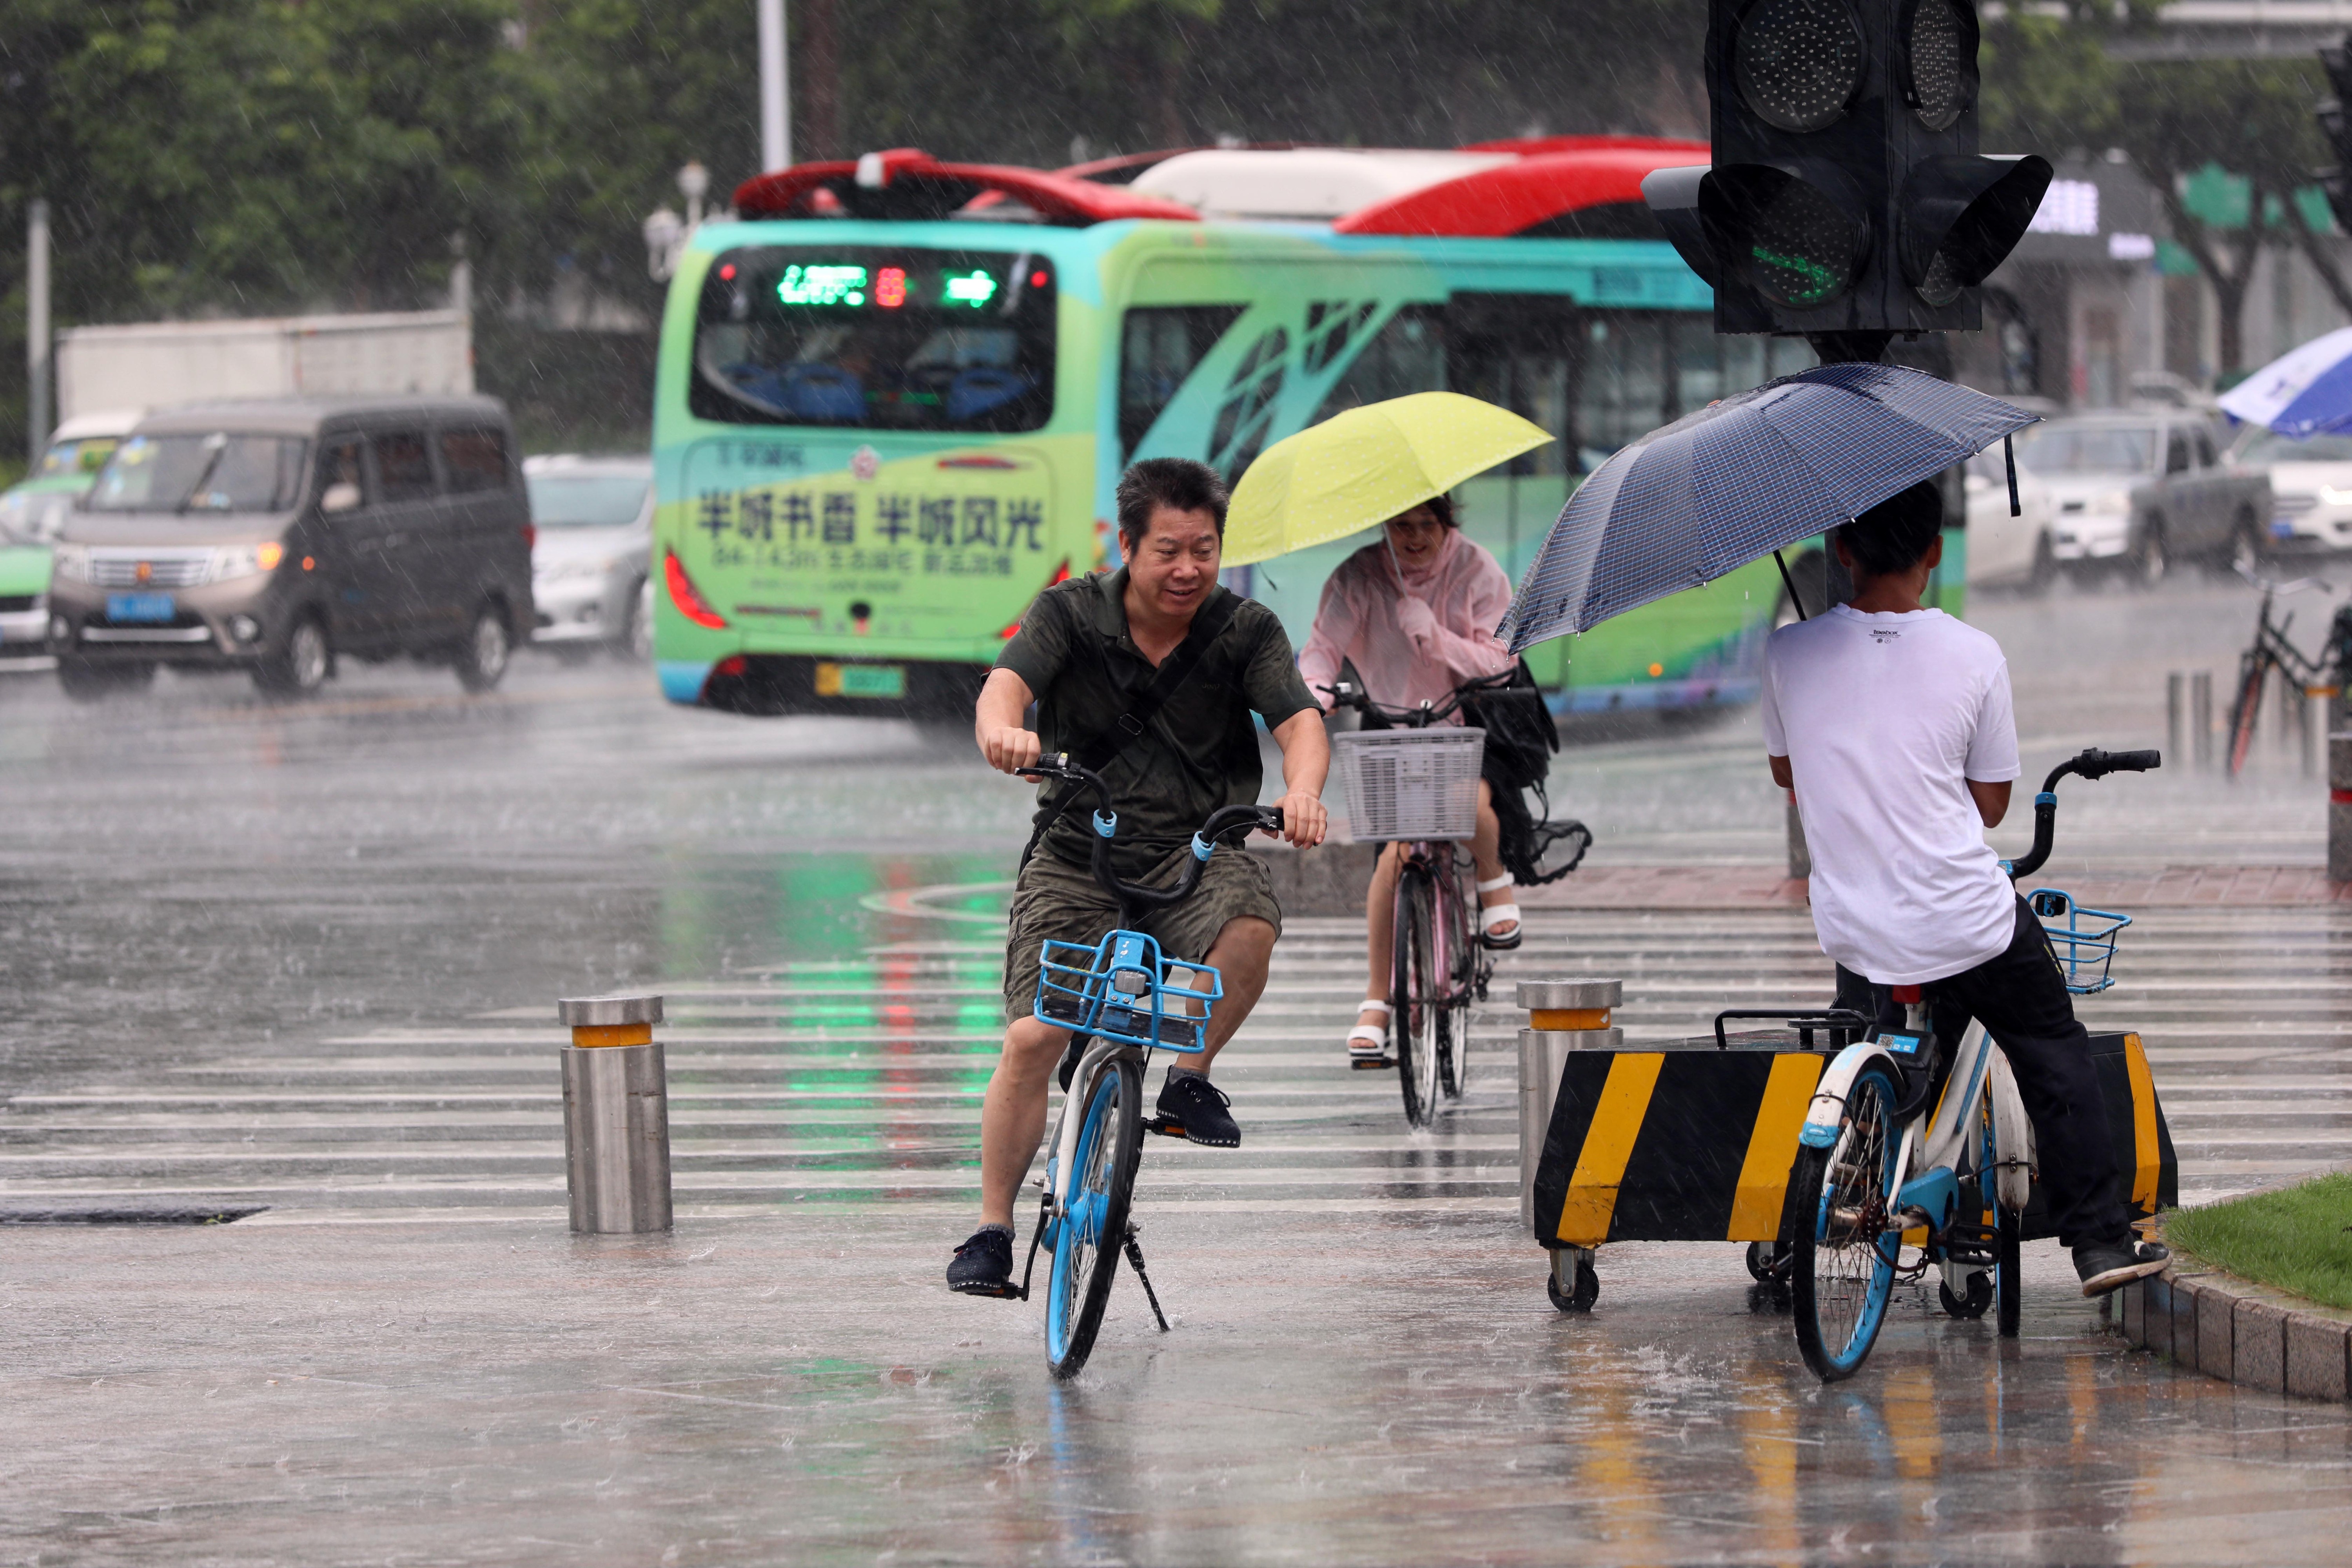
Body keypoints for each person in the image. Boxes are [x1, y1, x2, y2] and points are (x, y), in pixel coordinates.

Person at [1761, 480, 2167, 1298]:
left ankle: (1856, 1179)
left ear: (1841, 550)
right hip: (1962, 917)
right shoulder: (1974, 654)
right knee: (2053, 1048)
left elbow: (1788, 773)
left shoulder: (1788, 654)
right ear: (1935, 551)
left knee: (1879, 1032)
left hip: (1854, 924)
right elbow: (1990, 803)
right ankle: (2098, 1240)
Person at [947, 457, 1331, 1297]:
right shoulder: (1070, 614)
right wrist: (1003, 731)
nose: (1188, 568)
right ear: (1128, 546)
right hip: (1079, 851)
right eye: (1168, 550)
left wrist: (1302, 790)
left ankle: (1187, 1081)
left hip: (1196, 851)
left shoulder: (1244, 630)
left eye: (1204, 548)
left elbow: (1299, 718)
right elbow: (1004, 687)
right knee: (1035, 1036)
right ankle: (991, 1227)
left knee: (1250, 922)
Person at [1296, 495, 1524, 1064]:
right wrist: (1316, 694)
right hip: (1393, 725)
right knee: (1395, 855)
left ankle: (1494, 881)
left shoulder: (1477, 569)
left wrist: (1438, 638)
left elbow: (1503, 658)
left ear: (1448, 526)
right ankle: (1378, 1000)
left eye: (1428, 525)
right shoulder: (1358, 576)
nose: (1415, 538)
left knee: (1467, 803)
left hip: (1469, 718)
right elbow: (1321, 651)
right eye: (1402, 525)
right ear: (1385, 525)